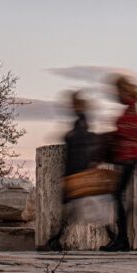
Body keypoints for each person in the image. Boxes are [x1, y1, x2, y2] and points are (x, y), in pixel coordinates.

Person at [100, 74, 137, 252]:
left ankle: (122, 239)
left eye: (117, 92)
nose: (116, 96)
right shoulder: (131, 110)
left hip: (128, 158)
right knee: (117, 197)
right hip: (127, 157)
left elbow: (130, 134)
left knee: (116, 196)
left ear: (124, 92)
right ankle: (121, 238)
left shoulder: (131, 111)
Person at [45, 90, 99, 251]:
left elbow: (81, 141)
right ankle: (57, 238)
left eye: (73, 104)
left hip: (77, 170)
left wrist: (68, 136)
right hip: (76, 169)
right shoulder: (80, 122)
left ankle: (57, 239)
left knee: (76, 208)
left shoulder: (82, 122)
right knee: (75, 209)